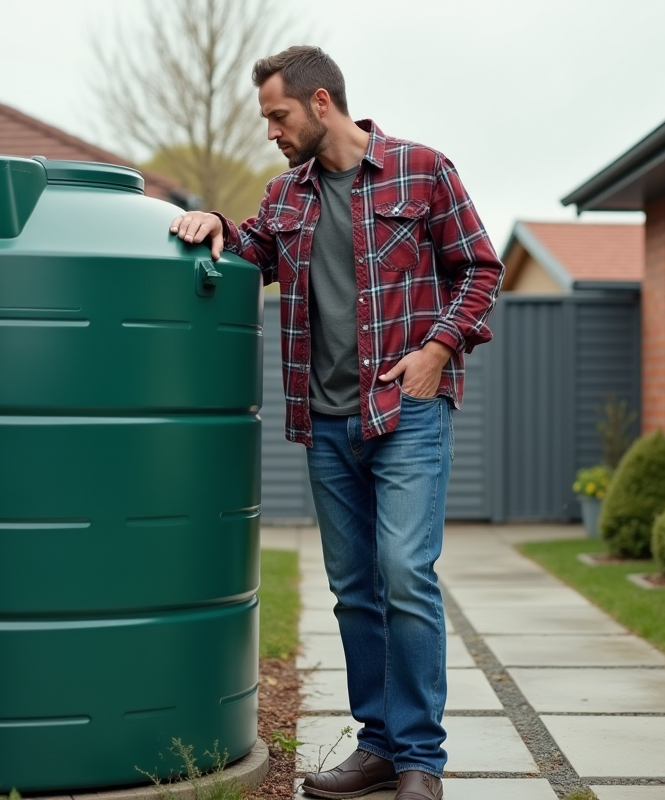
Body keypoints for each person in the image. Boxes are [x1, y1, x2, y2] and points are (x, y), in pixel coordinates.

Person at [169, 45, 504, 800]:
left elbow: (481, 268)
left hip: (408, 413)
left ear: (322, 104)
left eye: (278, 115)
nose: (271, 131)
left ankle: (421, 757)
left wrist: (438, 349)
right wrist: (211, 220)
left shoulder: (423, 169)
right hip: (324, 424)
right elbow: (250, 249)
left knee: (404, 576)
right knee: (354, 588)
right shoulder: (287, 195)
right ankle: (379, 745)